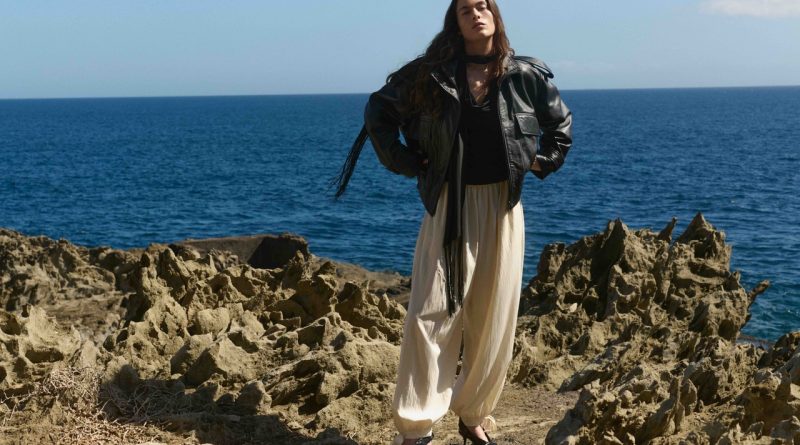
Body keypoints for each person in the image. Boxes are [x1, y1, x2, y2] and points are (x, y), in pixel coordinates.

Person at [331, 0, 572, 444]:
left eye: (483, 6)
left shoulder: (524, 75)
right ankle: (416, 426)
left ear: (495, 17)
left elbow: (561, 127)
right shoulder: (431, 74)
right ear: (455, 23)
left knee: (494, 317)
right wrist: (406, 162)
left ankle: (473, 414)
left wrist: (540, 162)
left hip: (502, 207)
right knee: (429, 313)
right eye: (465, 10)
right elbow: (378, 112)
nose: (476, 14)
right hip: (449, 203)